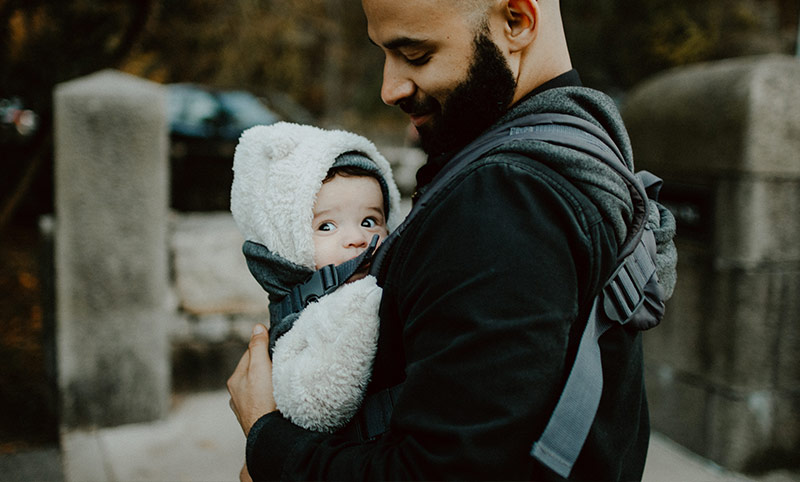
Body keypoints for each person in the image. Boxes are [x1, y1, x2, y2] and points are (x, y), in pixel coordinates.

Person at [227, 0, 678, 480]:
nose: (389, 88)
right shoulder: (584, 142)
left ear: (517, 21)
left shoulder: (504, 199)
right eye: (383, 52)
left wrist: (269, 439)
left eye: (415, 54)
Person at [229, 122, 402, 433]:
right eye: (327, 226)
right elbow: (318, 401)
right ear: (288, 242)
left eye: (369, 220)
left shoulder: (392, 288)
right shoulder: (299, 316)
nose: (358, 238)